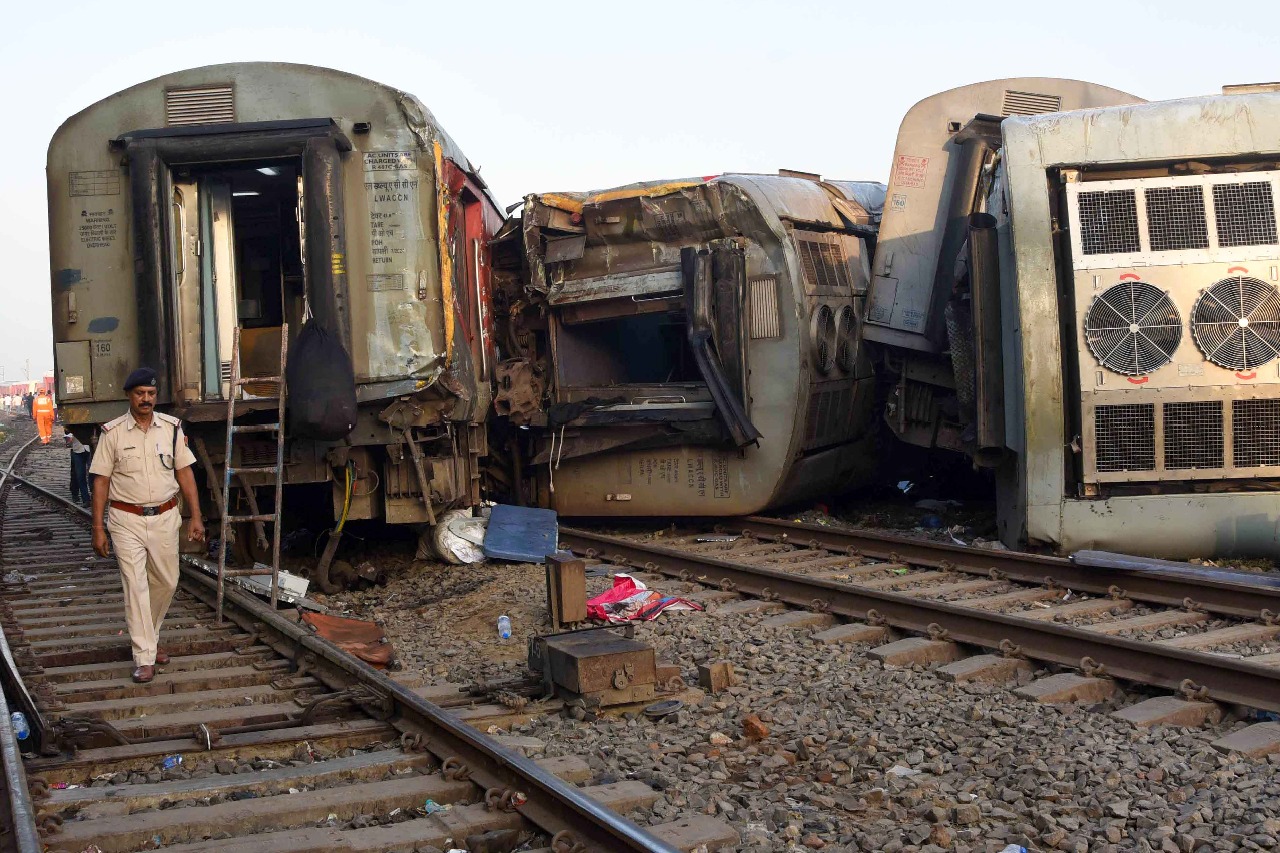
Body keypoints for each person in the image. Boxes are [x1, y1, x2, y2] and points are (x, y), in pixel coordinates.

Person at [90, 368, 205, 683]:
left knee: (167, 581)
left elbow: (185, 474)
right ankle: (144, 657)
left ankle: (149, 642)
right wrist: (97, 527)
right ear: (129, 395)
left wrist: (195, 515)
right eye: (140, 393)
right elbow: (101, 482)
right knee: (136, 587)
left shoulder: (170, 429)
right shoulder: (112, 433)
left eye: (151, 394)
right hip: (125, 520)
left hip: (166, 517)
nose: (146, 399)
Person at [67, 431, 92, 507]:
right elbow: (67, 432)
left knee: (93, 473)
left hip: (91, 448)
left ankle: (95, 496)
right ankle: (86, 499)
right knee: (80, 476)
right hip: (77, 449)